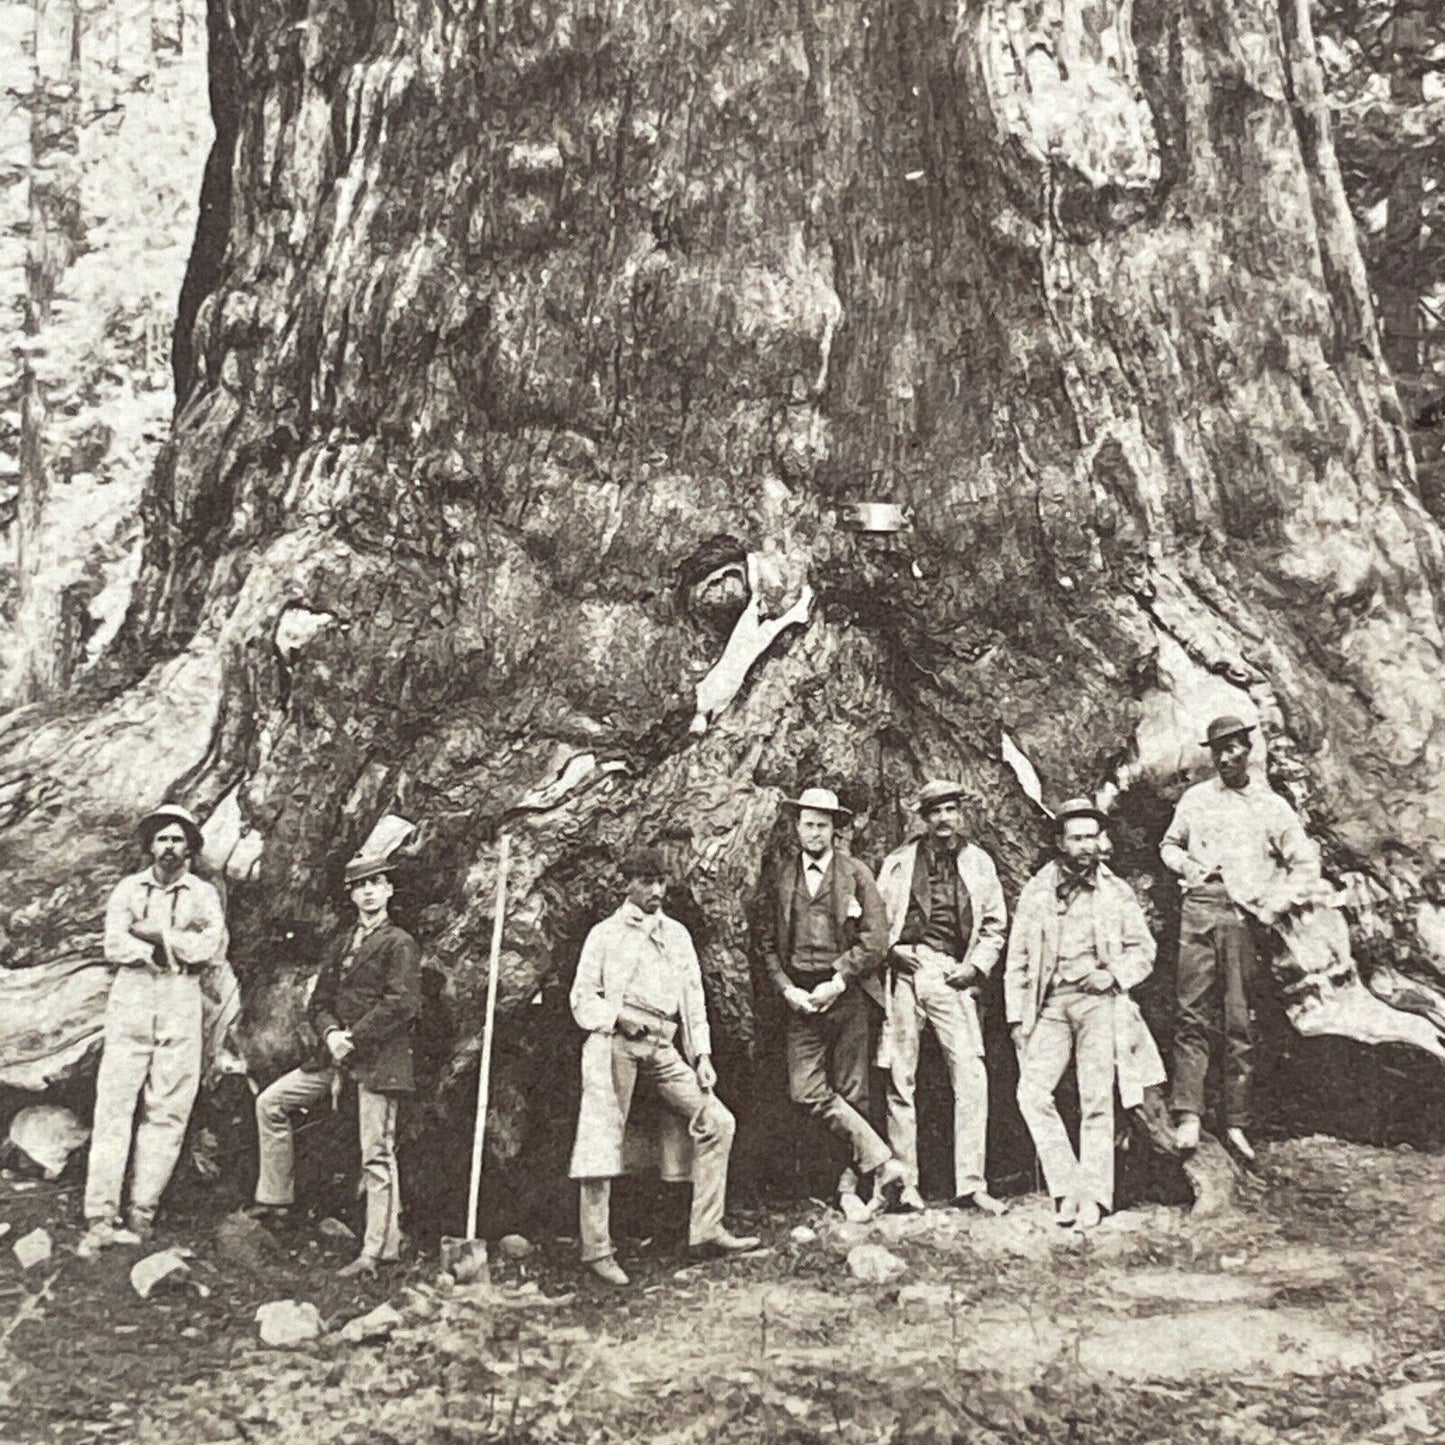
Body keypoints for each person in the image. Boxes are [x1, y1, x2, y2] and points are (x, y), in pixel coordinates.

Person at [568, 847, 759, 1286]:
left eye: (662, 882)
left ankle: (706, 1229)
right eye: (647, 882)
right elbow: (581, 997)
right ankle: (596, 1249)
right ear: (627, 884)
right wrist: (618, 1018)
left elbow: (693, 999)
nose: (657, 891)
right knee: (602, 1135)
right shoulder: (604, 934)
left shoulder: (676, 935)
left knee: (717, 1120)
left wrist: (703, 1056)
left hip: (663, 1043)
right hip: (614, 1040)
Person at [252, 854, 421, 1276]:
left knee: (377, 1154)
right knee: (271, 1102)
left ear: (389, 891)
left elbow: (403, 1004)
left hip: (378, 1059)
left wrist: (355, 1038)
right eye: (360, 885)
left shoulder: (399, 942)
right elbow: (319, 1003)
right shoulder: (344, 944)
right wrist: (331, 1035)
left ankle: (377, 1250)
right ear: (351, 894)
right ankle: (275, 1200)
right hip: (337, 1055)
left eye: (376, 883)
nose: (368, 891)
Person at [1161, 715, 1319, 1161]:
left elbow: (1305, 864)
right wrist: (1190, 869)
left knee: (1238, 1021)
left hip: (1243, 918)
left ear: (1249, 749)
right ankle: (1188, 1114)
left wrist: (1272, 905)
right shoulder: (1195, 800)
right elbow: (1169, 846)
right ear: (1211, 756)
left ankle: (1236, 1123)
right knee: (1191, 1011)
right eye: (1219, 749)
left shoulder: (1272, 807)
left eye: (1235, 747)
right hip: (1198, 911)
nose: (1228, 756)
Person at [1006, 799, 1161, 1231]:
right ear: (1060, 843)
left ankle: (1094, 1197)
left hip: (1099, 1004)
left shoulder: (1116, 891)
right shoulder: (1037, 892)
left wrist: (1111, 975)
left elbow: (1144, 950)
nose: (1085, 846)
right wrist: (1018, 1019)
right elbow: (1017, 958)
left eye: (1092, 837)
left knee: (1097, 1100)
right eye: (1076, 838)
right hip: (1052, 1005)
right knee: (1031, 1094)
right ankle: (1066, 1188)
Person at [755, 787, 906, 1216]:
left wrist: (838, 980)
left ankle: (848, 1193)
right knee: (805, 1091)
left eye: (823, 825)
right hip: (800, 998)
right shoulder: (781, 875)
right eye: (808, 824)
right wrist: (788, 989)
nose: (815, 833)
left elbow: (876, 940)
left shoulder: (855, 873)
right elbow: (764, 943)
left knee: (853, 1094)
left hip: (848, 995)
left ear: (836, 829)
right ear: (796, 827)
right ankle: (882, 1160)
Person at [82, 804, 226, 1252]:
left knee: (168, 1107)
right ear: (149, 845)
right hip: (134, 995)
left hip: (181, 997)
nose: (169, 847)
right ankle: (100, 1214)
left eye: (178, 839)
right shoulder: (129, 888)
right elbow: (114, 941)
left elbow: (208, 945)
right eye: (162, 839)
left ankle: (142, 1210)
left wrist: (157, 935)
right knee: (114, 1105)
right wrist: (149, 948)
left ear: (190, 847)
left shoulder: (202, 893)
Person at [875, 779, 1008, 1213]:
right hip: (906, 969)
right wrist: (892, 951)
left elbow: (994, 926)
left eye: (951, 809)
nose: (944, 819)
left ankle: (971, 1182)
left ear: (960, 813)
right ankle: (904, 1184)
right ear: (923, 817)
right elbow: (875, 922)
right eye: (935, 811)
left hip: (952, 973)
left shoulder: (979, 864)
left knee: (971, 1075)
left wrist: (975, 968)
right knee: (900, 1076)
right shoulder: (898, 862)